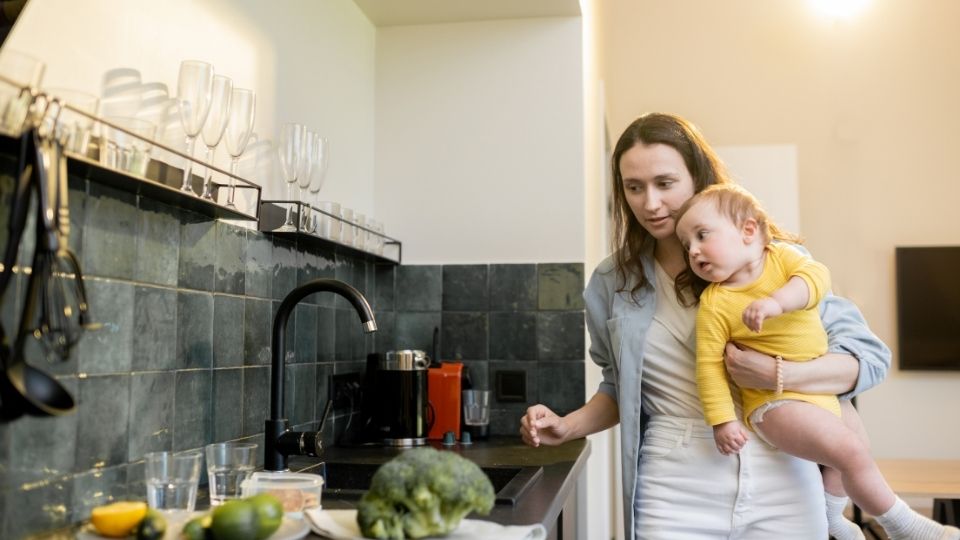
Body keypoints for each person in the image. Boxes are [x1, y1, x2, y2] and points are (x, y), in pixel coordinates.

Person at [519, 112, 891, 540]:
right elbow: (619, 388)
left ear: (697, 177)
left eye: (665, 183)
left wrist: (780, 375)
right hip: (675, 482)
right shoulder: (612, 282)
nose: (650, 204)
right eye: (633, 188)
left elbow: (869, 359)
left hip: (785, 469)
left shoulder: (769, 260)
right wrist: (568, 426)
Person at [674, 183, 959, 540]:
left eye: (701, 236)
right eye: (686, 246)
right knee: (849, 451)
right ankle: (904, 526)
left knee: (857, 448)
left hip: (825, 393)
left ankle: (831, 517)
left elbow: (817, 278)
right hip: (774, 405)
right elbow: (709, 367)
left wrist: (777, 302)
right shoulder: (715, 304)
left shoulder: (781, 257)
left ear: (748, 231)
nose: (694, 251)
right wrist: (721, 421)